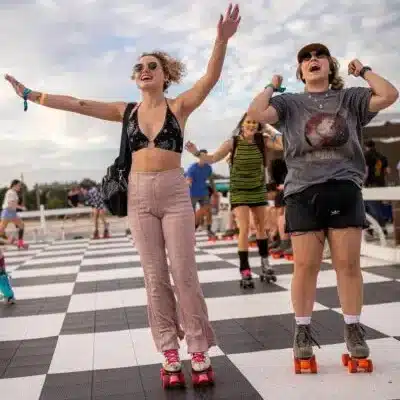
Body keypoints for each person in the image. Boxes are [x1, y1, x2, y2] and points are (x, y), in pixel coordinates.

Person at [4, 4, 241, 386]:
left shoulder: (179, 107)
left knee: (184, 273)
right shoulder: (125, 111)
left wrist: (220, 40)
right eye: (139, 67)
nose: (144, 70)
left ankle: (198, 349)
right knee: (154, 277)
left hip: (175, 194)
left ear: (165, 76)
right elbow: (79, 104)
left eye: (152, 66)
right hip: (139, 197)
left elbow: (210, 79)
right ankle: (168, 352)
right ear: (135, 78)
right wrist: (33, 93)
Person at [247, 42, 398, 372]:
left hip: (344, 189)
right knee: (306, 267)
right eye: (305, 58)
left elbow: (389, 95)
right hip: (303, 192)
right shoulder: (289, 103)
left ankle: (353, 328)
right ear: (299, 72)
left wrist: (365, 71)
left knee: (348, 265)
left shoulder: (351, 98)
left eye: (319, 56)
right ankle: (301, 333)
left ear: (331, 65)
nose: (313, 60)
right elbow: (257, 113)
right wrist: (272, 86)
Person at [185, 112, 283, 287]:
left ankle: (265, 263)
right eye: (248, 122)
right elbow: (213, 158)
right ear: (242, 124)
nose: (252, 125)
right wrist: (196, 152)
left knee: (261, 227)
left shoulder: (263, 140)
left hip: (257, 189)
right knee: (244, 227)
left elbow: (282, 144)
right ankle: (244, 269)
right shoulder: (233, 142)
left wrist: (267, 126)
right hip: (239, 190)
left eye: (255, 122)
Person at [186, 150, 216, 237]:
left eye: (206, 156)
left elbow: (211, 180)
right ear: (199, 157)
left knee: (208, 211)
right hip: (192, 194)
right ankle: (192, 230)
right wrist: (188, 183)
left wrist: (215, 191)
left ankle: (209, 230)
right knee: (192, 214)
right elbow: (188, 180)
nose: (205, 158)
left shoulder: (208, 168)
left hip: (204, 192)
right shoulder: (192, 168)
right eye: (204, 156)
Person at [363, 139, 389, 236]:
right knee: (376, 206)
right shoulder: (382, 157)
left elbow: (366, 171)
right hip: (381, 184)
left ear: (366, 146)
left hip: (370, 185)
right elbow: (386, 171)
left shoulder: (366, 155)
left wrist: (363, 183)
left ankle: (379, 228)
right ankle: (373, 229)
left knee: (371, 208)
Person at [0, 179, 28, 249]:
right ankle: (16, 242)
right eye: (19, 185)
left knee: (21, 225)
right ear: (14, 185)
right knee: (1, 231)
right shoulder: (10, 192)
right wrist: (21, 207)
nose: (20, 187)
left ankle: (20, 243)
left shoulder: (13, 192)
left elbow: (13, 204)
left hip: (12, 213)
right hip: (7, 212)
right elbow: (10, 204)